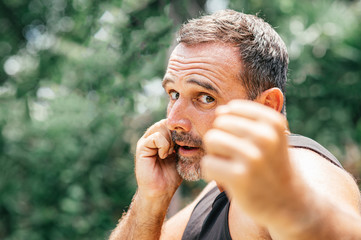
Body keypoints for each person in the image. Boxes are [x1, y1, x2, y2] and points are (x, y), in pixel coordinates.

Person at [109, 9, 361, 240]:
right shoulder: (216, 193)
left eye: (206, 98)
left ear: (267, 106)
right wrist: (150, 200)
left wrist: (287, 205)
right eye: (174, 94)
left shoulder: (299, 165)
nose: (175, 121)